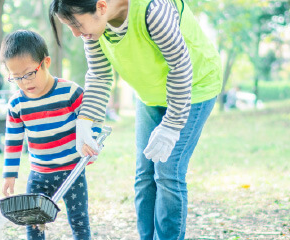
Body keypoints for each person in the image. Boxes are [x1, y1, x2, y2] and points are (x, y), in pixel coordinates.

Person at [49, 0, 222, 239]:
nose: (76, 33)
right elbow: (99, 75)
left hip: (194, 87)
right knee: (144, 175)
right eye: (69, 26)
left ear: (100, 6)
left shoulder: (154, 11)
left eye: (76, 24)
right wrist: (85, 122)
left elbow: (181, 67)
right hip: (151, 94)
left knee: (168, 172)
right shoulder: (95, 29)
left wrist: (171, 125)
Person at [0, 30, 102, 240]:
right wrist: (9, 175)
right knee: (34, 224)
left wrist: (93, 142)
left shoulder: (70, 92)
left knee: (79, 222)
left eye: (29, 73)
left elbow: (93, 118)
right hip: (38, 174)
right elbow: (13, 143)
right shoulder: (17, 104)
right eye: (16, 77)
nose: (24, 82)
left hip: (72, 172)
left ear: (46, 62)